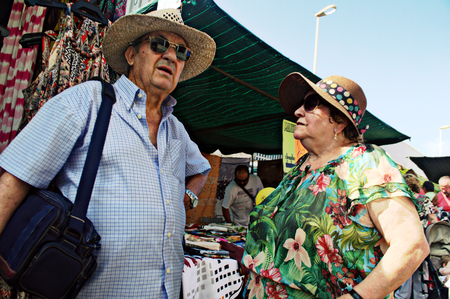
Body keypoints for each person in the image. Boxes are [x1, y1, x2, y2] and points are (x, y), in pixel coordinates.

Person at [0, 8, 216, 298]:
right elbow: (13, 182)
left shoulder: (176, 130)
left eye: (181, 52)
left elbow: (202, 168)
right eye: (159, 44)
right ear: (131, 55)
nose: (171, 56)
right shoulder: (86, 102)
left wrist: (186, 197)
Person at [242, 72, 429, 299]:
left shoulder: (365, 162)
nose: (297, 111)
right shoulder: (301, 168)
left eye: (311, 104)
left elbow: (411, 246)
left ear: (339, 122)